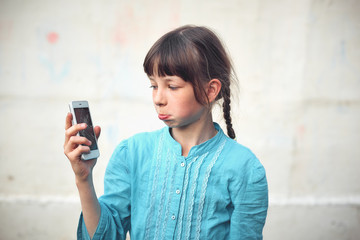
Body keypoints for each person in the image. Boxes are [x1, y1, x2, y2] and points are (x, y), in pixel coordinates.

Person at [64, 25, 268, 240]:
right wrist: (83, 179)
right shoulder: (132, 153)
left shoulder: (245, 168)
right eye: (153, 85)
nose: (158, 99)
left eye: (172, 86)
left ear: (210, 90)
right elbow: (106, 236)